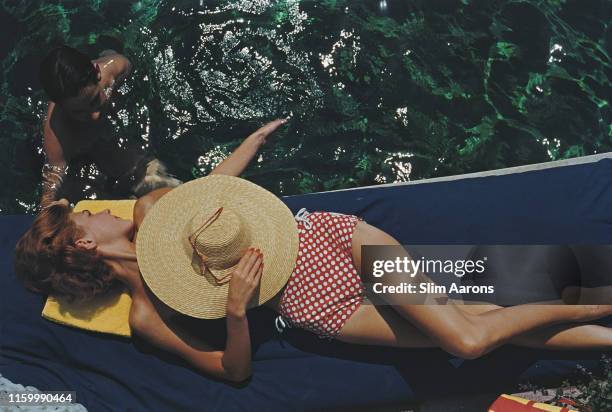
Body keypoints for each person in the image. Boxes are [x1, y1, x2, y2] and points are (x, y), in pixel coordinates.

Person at [14, 118, 612, 384]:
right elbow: (235, 371)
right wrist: (235, 311)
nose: (93, 205)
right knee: (475, 326)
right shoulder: (146, 316)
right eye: (81, 214)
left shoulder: (149, 212)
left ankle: (591, 305)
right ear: (83, 242)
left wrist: (248, 144)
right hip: (312, 310)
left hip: (327, 240)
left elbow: (214, 196)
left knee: (466, 340)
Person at [38, 45, 180, 209]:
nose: (94, 115)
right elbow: (53, 175)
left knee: (110, 52)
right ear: (62, 107)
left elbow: (144, 87)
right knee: (138, 172)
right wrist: (47, 204)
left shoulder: (117, 68)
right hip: (90, 148)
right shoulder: (57, 129)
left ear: (98, 73)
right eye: (78, 112)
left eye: (94, 100)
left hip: (105, 66)